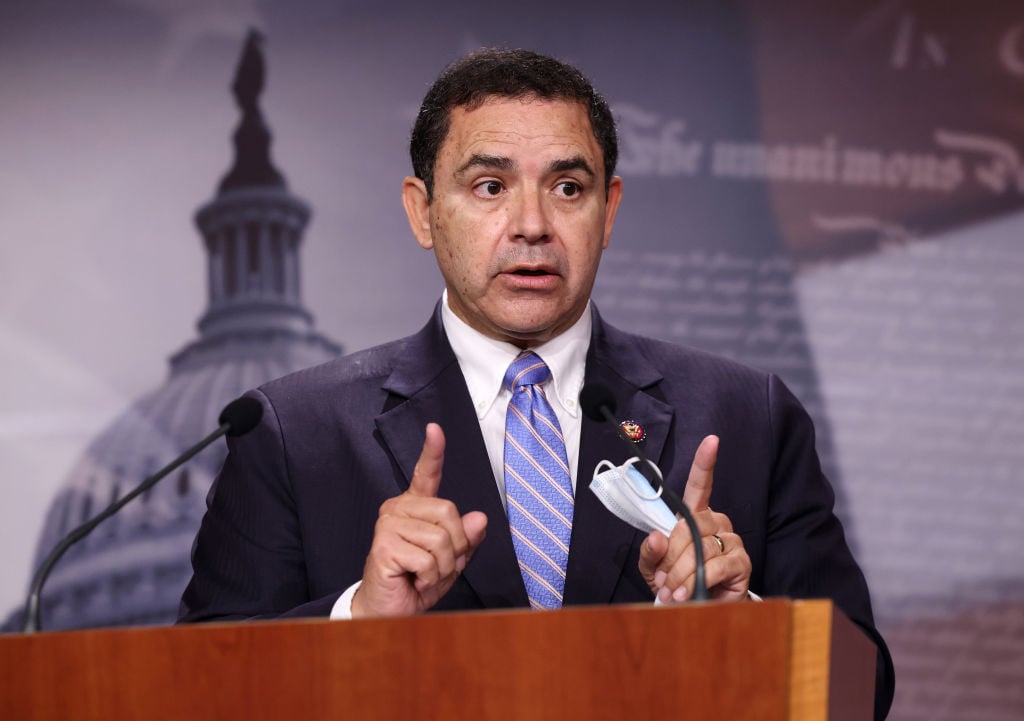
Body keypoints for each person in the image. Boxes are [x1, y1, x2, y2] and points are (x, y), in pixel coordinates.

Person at [180, 48, 894, 717]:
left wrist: (745, 622)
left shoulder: (747, 417)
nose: (532, 225)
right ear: (423, 212)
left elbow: (864, 692)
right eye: (490, 186)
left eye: (568, 188)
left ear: (608, 210)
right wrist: (360, 617)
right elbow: (200, 692)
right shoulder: (290, 434)